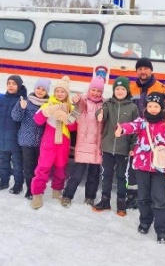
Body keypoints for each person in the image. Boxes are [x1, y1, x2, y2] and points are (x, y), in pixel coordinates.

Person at [115, 91, 165, 243]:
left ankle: (162, 231)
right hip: (142, 166)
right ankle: (145, 221)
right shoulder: (142, 122)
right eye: (150, 105)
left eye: (156, 106)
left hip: (159, 169)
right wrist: (122, 129)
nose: (152, 108)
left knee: (159, 199)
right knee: (143, 197)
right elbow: (131, 126)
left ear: (161, 108)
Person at [127, 57, 165, 209]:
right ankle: (133, 195)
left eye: (145, 68)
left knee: (155, 165)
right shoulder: (132, 87)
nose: (143, 71)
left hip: (156, 132)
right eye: (140, 69)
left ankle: (155, 199)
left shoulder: (162, 88)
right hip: (137, 130)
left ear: (151, 70)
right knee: (134, 165)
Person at [92, 76, 138, 216]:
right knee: (106, 175)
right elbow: (101, 114)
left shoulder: (133, 107)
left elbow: (135, 129)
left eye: (122, 89)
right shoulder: (108, 104)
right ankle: (105, 200)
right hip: (107, 146)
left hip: (123, 149)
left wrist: (132, 147)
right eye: (117, 88)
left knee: (121, 177)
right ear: (113, 90)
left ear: (127, 91)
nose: (119, 91)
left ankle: (121, 203)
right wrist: (99, 114)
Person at [30, 76, 77, 209]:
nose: (59, 94)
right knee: (43, 169)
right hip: (48, 143)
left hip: (63, 144)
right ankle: (37, 194)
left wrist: (66, 118)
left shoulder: (71, 107)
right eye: (57, 91)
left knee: (61, 170)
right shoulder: (48, 104)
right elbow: (37, 120)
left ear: (67, 93)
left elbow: (74, 127)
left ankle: (57, 192)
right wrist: (46, 112)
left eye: (62, 91)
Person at [61, 76, 105, 207]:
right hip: (84, 144)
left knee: (94, 175)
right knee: (77, 174)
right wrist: (74, 104)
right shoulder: (83, 103)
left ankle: (90, 197)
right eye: (94, 90)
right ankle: (67, 195)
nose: (96, 93)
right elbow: (70, 120)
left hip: (97, 146)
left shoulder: (105, 105)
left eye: (99, 91)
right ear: (89, 90)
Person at [0, 75, 27, 194]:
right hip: (2, 136)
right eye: (9, 83)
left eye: (13, 84)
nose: (11, 86)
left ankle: (18, 185)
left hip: (16, 138)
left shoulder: (22, 100)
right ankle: (3, 182)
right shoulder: (2, 99)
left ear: (19, 86)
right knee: (3, 161)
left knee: (17, 164)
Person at [11, 78, 51, 200]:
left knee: (38, 168)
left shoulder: (48, 104)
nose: (40, 91)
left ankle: (37, 188)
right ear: (34, 88)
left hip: (41, 142)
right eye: (38, 88)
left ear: (47, 92)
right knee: (28, 167)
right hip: (26, 141)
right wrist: (21, 108)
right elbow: (15, 117)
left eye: (43, 89)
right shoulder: (25, 101)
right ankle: (30, 189)